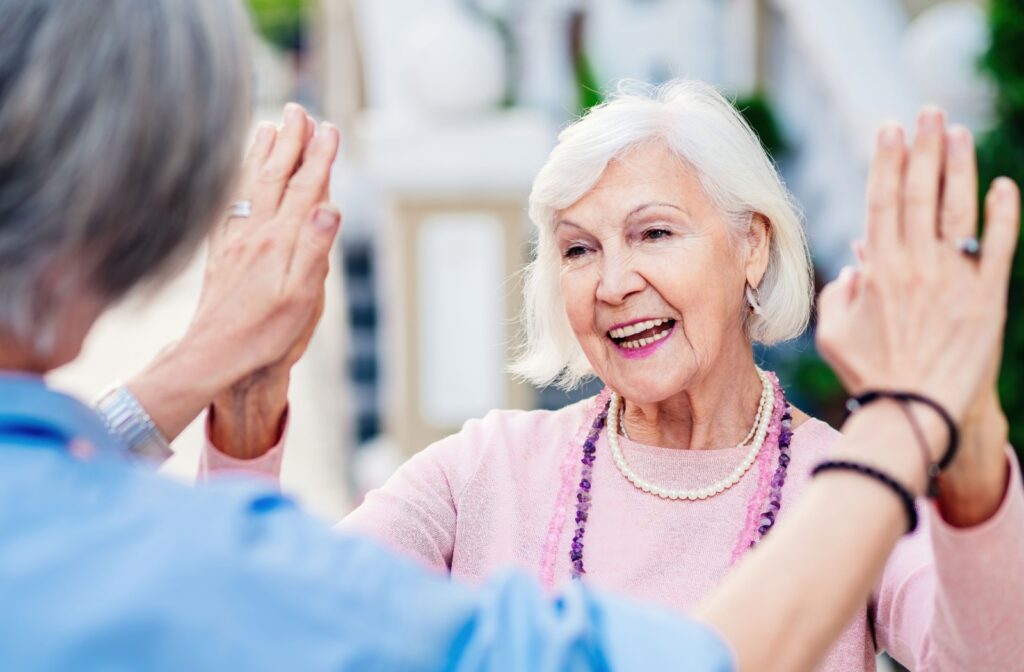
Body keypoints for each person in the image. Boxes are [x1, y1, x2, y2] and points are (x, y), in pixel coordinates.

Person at [1, 1, 1020, 671]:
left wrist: (963, 444)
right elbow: (272, 621)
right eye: (575, 250)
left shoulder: (842, 481)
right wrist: (246, 411)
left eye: (653, 233)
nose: (613, 280)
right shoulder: (483, 467)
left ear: (750, 248)